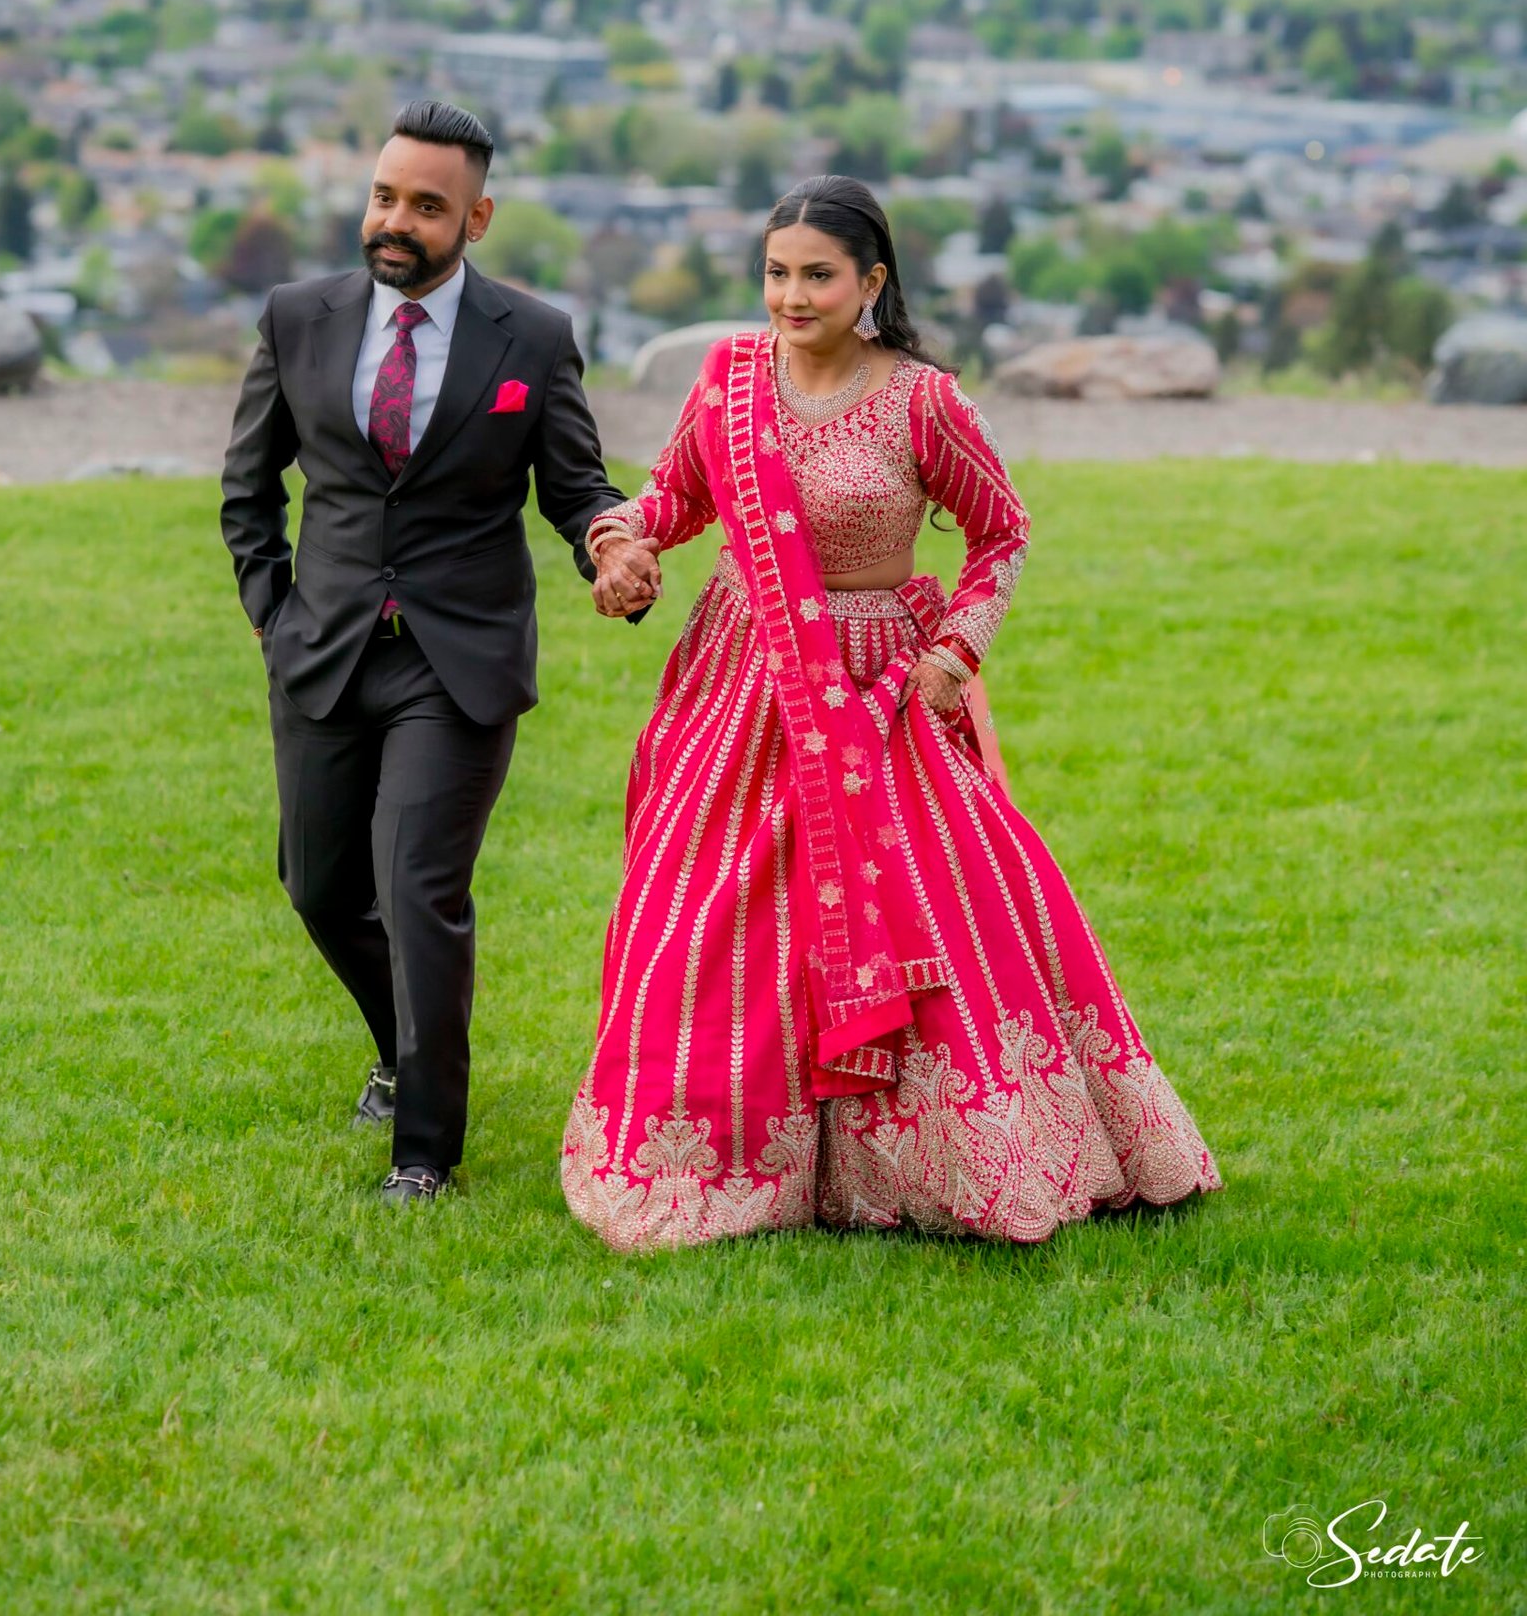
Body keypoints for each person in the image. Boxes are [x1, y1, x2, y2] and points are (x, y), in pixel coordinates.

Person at [562, 174, 1220, 1252]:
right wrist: (620, 541)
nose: (791, 296)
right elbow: (674, 497)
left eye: (817, 276)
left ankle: (926, 1155)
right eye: (776, 273)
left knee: (912, 910)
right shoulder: (728, 382)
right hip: (743, 676)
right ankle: (719, 1149)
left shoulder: (923, 401)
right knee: (711, 915)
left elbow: (1001, 532)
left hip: (877, 694)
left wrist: (956, 652)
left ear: (870, 282)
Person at [219, 98, 658, 1204]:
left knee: (418, 888)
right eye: (384, 197)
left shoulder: (533, 338)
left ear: (476, 218)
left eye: (426, 206)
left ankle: (424, 1152)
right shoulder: (297, 317)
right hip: (323, 651)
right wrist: (273, 616)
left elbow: (575, 485)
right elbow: (248, 488)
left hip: (458, 661)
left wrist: (610, 544)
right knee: (320, 888)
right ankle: (396, 1047)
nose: (396, 222)